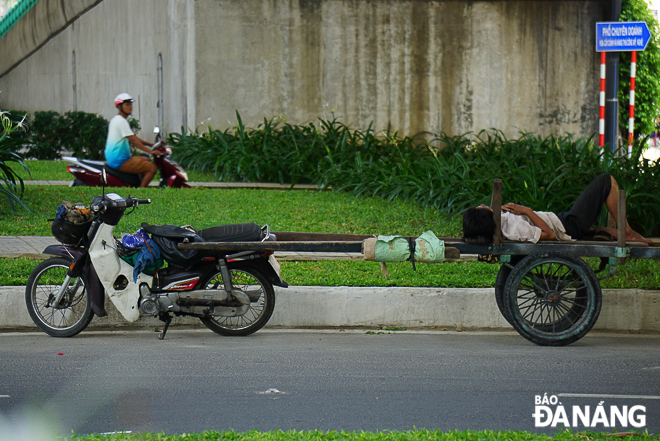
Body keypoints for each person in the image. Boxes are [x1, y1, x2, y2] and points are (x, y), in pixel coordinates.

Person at [462, 173, 652, 245]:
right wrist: (527, 211)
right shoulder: (514, 228)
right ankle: (627, 231)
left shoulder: (502, 223)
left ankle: (600, 231)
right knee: (605, 181)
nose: (482, 205)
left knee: (594, 228)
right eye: (480, 208)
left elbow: (509, 221)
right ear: (486, 218)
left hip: (562, 221)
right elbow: (550, 235)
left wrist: (504, 211)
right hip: (568, 225)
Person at [105, 93, 162, 188]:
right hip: (120, 161)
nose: (130, 107)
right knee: (152, 167)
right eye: (127, 104)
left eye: (131, 104)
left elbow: (134, 138)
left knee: (146, 159)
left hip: (117, 158)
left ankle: (138, 184)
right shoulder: (121, 121)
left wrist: (151, 144)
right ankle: (142, 190)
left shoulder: (117, 119)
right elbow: (134, 141)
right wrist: (151, 151)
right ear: (119, 107)